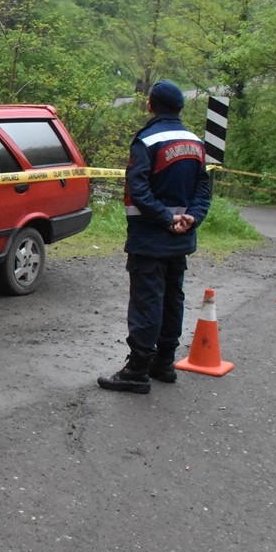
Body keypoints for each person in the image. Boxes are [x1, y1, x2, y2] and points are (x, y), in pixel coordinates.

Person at [99, 80, 213, 394]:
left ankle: (137, 370)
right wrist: (191, 219)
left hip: (150, 237)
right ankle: (164, 363)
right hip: (181, 239)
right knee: (173, 298)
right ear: (179, 107)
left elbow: (138, 190)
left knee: (147, 300)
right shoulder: (196, 143)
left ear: (151, 105)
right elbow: (203, 190)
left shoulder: (147, 141)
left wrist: (166, 218)